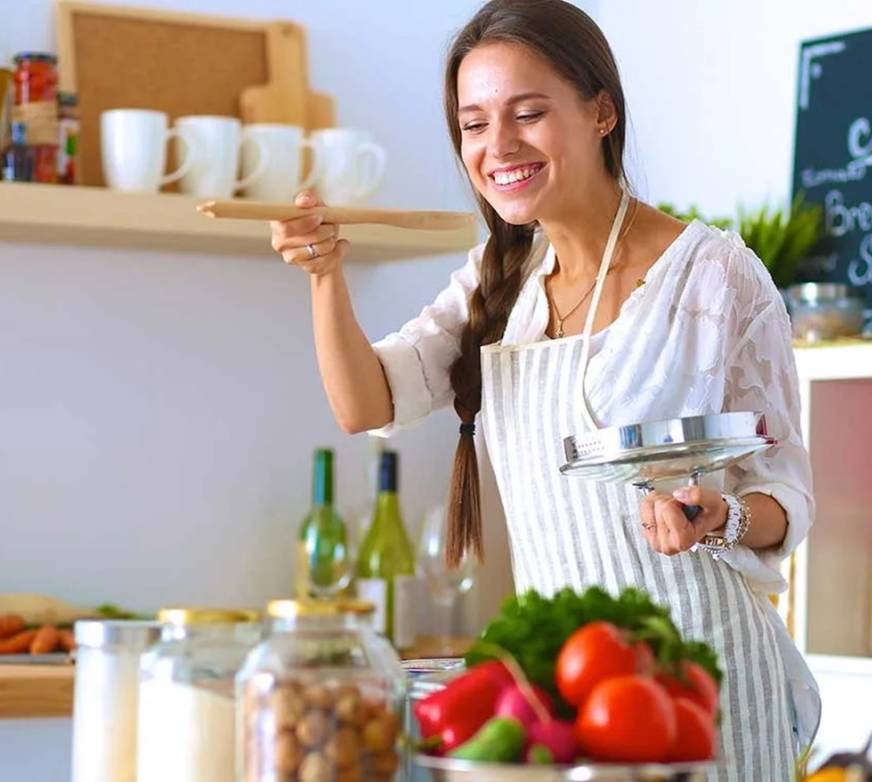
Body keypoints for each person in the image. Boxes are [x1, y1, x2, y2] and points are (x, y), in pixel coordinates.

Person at [269, 0, 819, 777]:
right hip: (569, 691)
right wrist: (325, 277)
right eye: (474, 124)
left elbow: (786, 497)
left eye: (527, 113)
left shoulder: (714, 277)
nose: (498, 146)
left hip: (706, 685)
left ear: (601, 112)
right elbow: (366, 404)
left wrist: (719, 516)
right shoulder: (497, 280)